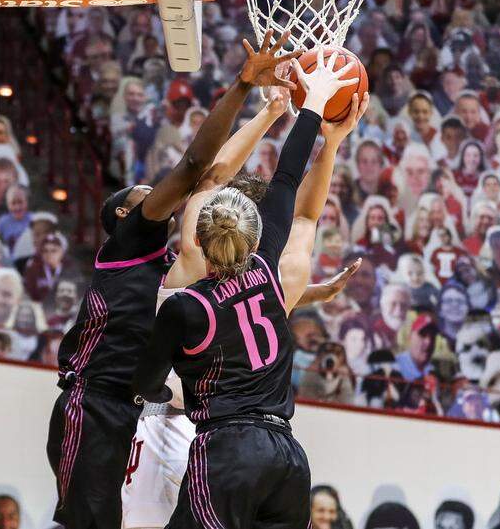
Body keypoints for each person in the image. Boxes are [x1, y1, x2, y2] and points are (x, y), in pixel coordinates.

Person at [48, 31, 299, 529]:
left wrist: (271, 113)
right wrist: (244, 86)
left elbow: (211, 183)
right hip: (95, 402)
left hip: (141, 412)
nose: (157, 194)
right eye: (145, 194)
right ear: (125, 213)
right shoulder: (127, 246)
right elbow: (196, 171)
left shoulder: (171, 268)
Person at [133, 48, 360, 529]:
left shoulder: (187, 292)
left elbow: (209, 175)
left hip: (201, 439)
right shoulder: (275, 277)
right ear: (255, 235)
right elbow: (297, 200)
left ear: (196, 236)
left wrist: (270, 110)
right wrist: (322, 125)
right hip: (285, 451)